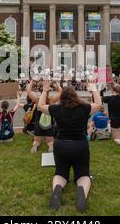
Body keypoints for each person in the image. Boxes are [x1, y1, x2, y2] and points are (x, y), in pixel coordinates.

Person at [38, 80, 102, 212]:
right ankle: (81, 192)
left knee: (60, 173)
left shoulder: (57, 109)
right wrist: (93, 89)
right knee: (83, 174)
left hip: (61, 145)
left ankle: (57, 191)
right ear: (76, 96)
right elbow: (99, 104)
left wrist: (45, 90)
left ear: (62, 98)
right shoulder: (84, 108)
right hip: (80, 145)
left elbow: (40, 106)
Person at [27, 80, 61, 154]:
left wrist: (32, 82)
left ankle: (35, 146)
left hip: (39, 123)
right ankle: (51, 147)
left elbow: (29, 92)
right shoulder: (52, 100)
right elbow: (61, 92)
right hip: (49, 124)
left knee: (36, 141)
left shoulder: (37, 100)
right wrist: (56, 83)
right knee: (50, 142)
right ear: (49, 91)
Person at [101, 82, 120, 150]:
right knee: (119, 135)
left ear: (113, 90)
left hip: (115, 119)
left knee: (115, 139)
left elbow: (100, 98)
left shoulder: (109, 98)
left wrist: (102, 89)